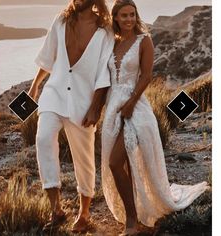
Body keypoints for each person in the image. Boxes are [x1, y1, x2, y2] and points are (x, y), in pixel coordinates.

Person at [101, 0, 209, 235]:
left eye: (132, 14)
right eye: (124, 15)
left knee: (114, 162)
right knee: (122, 165)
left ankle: (132, 221)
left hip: (135, 107)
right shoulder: (111, 43)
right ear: (116, 18)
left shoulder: (144, 40)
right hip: (112, 108)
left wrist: (130, 104)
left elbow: (147, 76)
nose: (129, 19)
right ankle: (134, 213)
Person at [28, 0, 114, 233]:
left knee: (84, 157)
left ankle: (84, 214)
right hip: (53, 94)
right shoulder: (61, 20)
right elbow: (48, 56)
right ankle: (56, 209)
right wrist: (36, 85)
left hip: (83, 102)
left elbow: (104, 73)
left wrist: (96, 107)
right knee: (44, 139)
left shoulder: (104, 31)